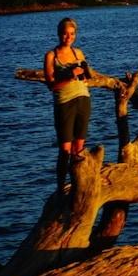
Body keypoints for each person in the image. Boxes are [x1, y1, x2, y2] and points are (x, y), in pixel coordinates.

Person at [43, 17, 92, 192]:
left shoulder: (78, 53)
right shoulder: (51, 55)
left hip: (83, 99)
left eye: (71, 34)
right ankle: (61, 187)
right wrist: (70, 75)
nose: (68, 37)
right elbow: (51, 85)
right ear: (59, 34)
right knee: (65, 150)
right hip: (64, 102)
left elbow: (86, 77)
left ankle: (77, 183)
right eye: (65, 33)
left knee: (78, 148)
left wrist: (84, 74)